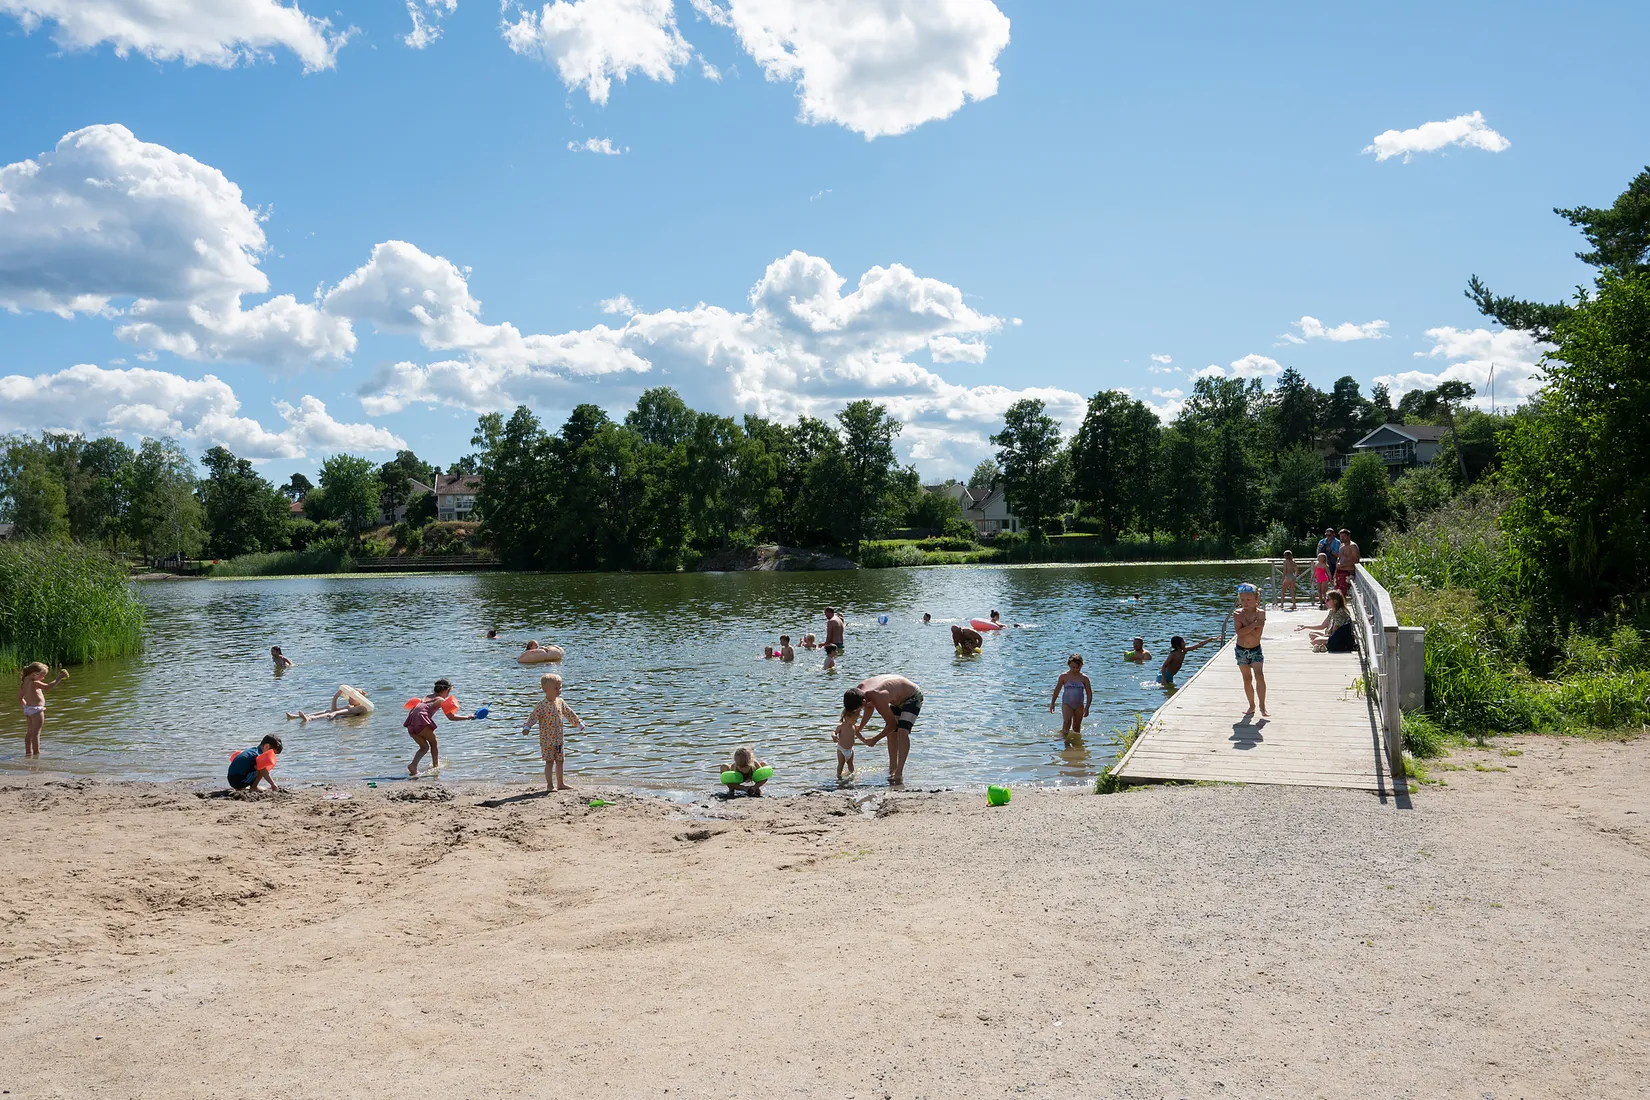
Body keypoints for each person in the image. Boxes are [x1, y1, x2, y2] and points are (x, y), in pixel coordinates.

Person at [846, 675, 923, 785]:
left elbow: (892, 725)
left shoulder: (878, 696)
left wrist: (875, 739)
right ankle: (892, 769)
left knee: (902, 732)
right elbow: (869, 707)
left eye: (857, 710)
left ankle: (899, 773)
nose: (857, 713)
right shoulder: (860, 691)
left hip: (912, 696)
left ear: (863, 701)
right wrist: (861, 727)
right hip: (896, 698)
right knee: (891, 735)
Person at [522, 671, 584, 791]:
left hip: (559, 739)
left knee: (560, 761)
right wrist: (527, 727)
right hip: (547, 741)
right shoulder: (541, 705)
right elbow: (533, 716)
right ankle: (550, 785)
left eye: (560, 687)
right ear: (545, 689)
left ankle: (560, 783)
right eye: (556, 688)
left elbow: (569, 713)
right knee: (549, 762)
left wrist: (578, 724)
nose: (559, 690)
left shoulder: (560, 702)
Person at [402, 678, 474, 776]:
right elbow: (451, 717)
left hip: (410, 724)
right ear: (446, 690)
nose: (448, 694)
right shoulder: (440, 700)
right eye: (449, 691)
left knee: (424, 747)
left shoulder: (426, 697)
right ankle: (435, 767)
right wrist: (468, 717)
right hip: (421, 722)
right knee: (434, 742)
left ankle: (413, 765)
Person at [1227, 584, 1269, 717]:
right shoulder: (1237, 614)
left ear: (1256, 599)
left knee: (1259, 676)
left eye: (1248, 600)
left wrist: (1249, 626)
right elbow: (1239, 632)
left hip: (1255, 650)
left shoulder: (1261, 613)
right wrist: (1254, 624)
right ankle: (1252, 705)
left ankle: (1262, 705)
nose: (1245, 602)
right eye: (1243, 600)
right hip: (1241, 650)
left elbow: (1257, 634)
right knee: (1247, 678)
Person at [17, 662, 68, 756]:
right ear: (35, 673)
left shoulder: (24, 683)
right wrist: (59, 678)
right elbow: (49, 687)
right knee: (36, 733)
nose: (43, 678)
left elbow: (19, 698)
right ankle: (36, 753)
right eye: (42, 675)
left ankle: (28, 752)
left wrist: (25, 707)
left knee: (29, 732)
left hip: (28, 709)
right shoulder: (35, 683)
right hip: (36, 710)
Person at [1048, 655, 1093, 735]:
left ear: (1081, 666)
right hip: (1067, 704)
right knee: (1067, 723)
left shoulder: (1084, 678)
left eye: (1077, 667)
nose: (1075, 669)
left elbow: (1089, 694)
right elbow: (1057, 690)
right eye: (1073, 667)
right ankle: (1065, 743)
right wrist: (1052, 703)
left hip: (1079, 705)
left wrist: (1087, 707)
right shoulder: (1064, 676)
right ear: (1069, 665)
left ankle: (1077, 745)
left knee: (1076, 727)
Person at [287, 685, 374, 722]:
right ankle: (298, 717)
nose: (349, 699)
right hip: (341, 717)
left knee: (331, 713)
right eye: (349, 697)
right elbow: (333, 710)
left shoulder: (362, 708)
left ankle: (310, 719)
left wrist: (334, 713)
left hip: (342, 719)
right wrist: (335, 697)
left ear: (359, 699)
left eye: (352, 698)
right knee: (328, 710)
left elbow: (350, 711)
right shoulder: (350, 706)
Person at [832, 706, 869, 781]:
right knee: (841, 764)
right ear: (847, 717)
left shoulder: (854, 727)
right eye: (854, 720)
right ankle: (839, 777)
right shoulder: (841, 726)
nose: (856, 721)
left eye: (856, 720)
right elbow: (834, 732)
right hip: (841, 749)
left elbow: (858, 734)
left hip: (850, 750)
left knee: (850, 764)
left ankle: (852, 776)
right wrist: (834, 736)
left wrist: (864, 740)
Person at [1334, 528, 1360, 595]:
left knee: (1342, 592)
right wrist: (1335, 573)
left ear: (1348, 536)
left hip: (1348, 572)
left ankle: (1342, 605)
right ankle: (1340, 605)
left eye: (1344, 536)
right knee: (1337, 592)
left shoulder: (1353, 546)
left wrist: (1343, 564)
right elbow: (1339, 559)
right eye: (1340, 536)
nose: (1342, 538)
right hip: (1339, 572)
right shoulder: (1341, 545)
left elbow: (1356, 560)